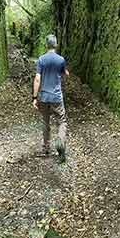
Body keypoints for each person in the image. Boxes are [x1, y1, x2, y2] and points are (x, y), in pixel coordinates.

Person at [32, 34, 70, 162]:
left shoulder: (41, 59)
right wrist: (64, 73)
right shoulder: (61, 60)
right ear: (56, 45)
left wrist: (34, 97)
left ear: (46, 45)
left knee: (45, 122)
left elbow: (37, 79)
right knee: (62, 121)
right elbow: (64, 74)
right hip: (56, 97)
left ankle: (46, 148)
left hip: (44, 96)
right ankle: (60, 141)